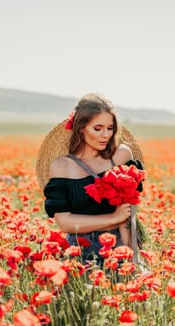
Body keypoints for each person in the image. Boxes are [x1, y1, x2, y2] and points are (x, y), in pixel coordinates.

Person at [36, 93, 144, 266]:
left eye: (110, 128)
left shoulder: (121, 156)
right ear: (81, 128)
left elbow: (127, 215)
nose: (105, 135)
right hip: (79, 251)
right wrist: (112, 218)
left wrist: (132, 261)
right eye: (98, 128)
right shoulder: (62, 166)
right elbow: (64, 223)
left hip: (117, 247)